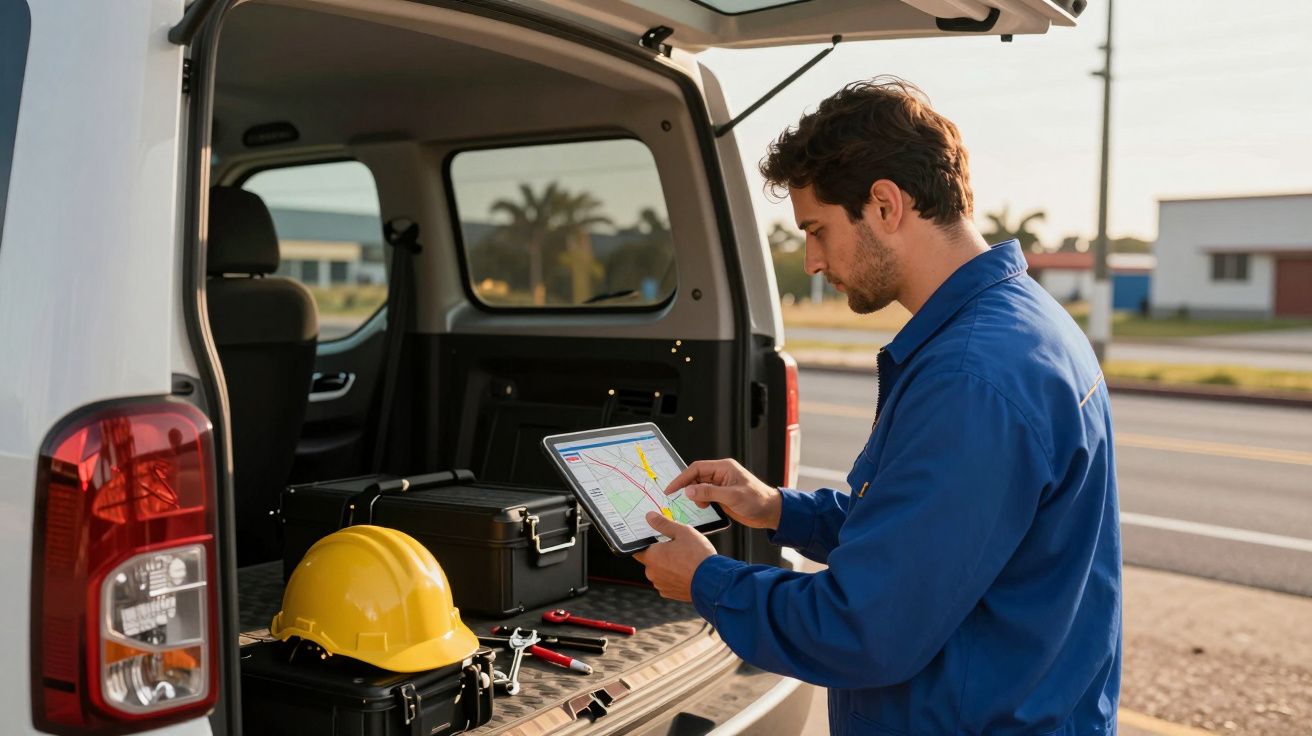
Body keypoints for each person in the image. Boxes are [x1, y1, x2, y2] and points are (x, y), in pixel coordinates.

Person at [633, 78, 1121, 735]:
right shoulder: (1026, 324)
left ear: (886, 205)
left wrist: (706, 580)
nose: (810, 259)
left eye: (817, 229)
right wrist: (777, 508)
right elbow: (928, 539)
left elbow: (864, 628)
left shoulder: (971, 377)